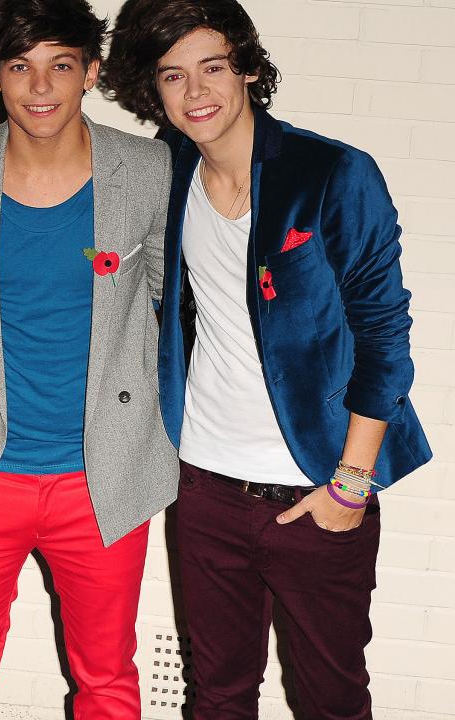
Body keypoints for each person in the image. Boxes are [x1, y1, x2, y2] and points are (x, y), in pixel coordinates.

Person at [102, 1, 432, 717]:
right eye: (172, 75)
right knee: (218, 698)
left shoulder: (332, 173)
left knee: (331, 699)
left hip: (317, 489)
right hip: (206, 487)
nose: (196, 92)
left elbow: (384, 337)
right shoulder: (169, 176)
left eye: (213, 67)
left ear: (248, 68)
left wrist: (351, 484)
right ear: (152, 88)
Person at [0, 1, 177, 717]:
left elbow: (173, 303)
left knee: (108, 678)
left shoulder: (148, 169)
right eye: (20, 67)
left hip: (102, 473)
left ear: (90, 73)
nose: (40, 87)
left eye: (61, 65)